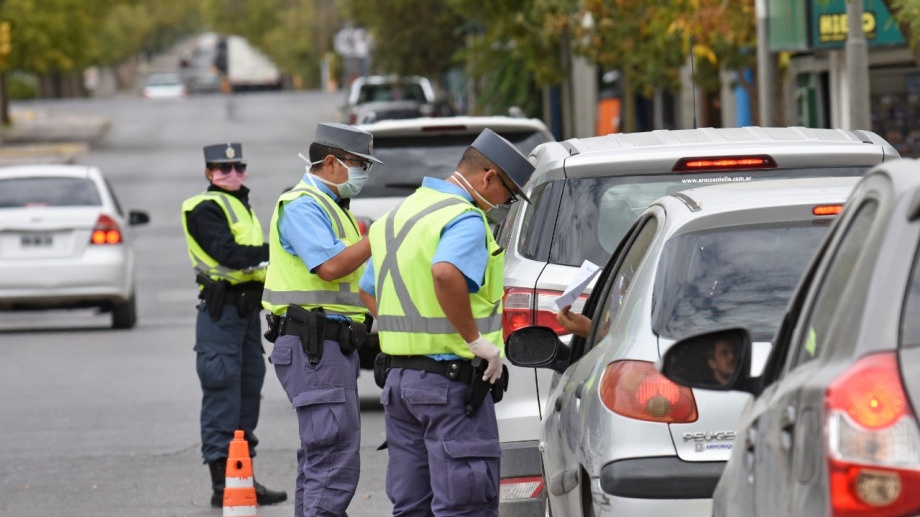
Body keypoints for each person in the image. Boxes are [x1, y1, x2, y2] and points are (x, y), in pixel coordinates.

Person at [358, 128, 536, 516]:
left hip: (400, 383)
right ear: (488, 177)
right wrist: (475, 341)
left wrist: (405, 333)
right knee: (464, 505)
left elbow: (367, 287)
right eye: (507, 192)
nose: (504, 202)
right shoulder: (464, 218)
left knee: (413, 505)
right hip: (449, 385)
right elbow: (444, 273)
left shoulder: (397, 214)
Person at [262, 123, 381, 516]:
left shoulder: (334, 209)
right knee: (332, 459)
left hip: (330, 347)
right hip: (315, 346)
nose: (364, 172)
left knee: (323, 458)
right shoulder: (302, 205)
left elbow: (354, 281)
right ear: (330, 162)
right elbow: (329, 267)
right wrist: (380, 237)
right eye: (359, 164)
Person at [180, 143, 287, 508]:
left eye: (237, 166)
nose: (231, 173)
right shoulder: (204, 207)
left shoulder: (242, 206)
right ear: (209, 173)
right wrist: (280, 254)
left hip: (245, 315)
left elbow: (249, 258)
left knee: (247, 392)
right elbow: (231, 255)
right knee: (222, 391)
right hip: (220, 313)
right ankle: (220, 483)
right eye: (222, 167)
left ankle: (242, 477)